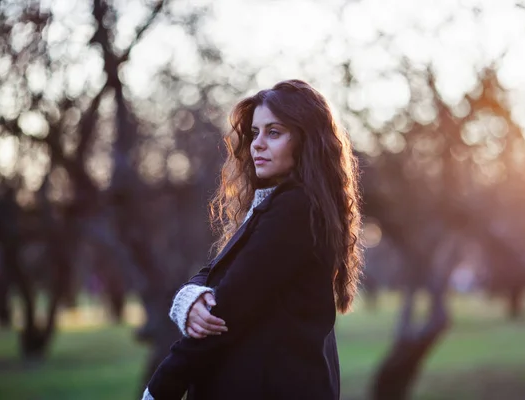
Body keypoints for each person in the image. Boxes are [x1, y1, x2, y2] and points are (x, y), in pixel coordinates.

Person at [142, 79, 363, 400]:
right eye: (255, 133)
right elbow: (224, 269)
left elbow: (229, 309)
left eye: (274, 132)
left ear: (306, 140)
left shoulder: (296, 209)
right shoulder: (278, 204)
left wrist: (160, 388)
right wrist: (191, 296)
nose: (257, 144)